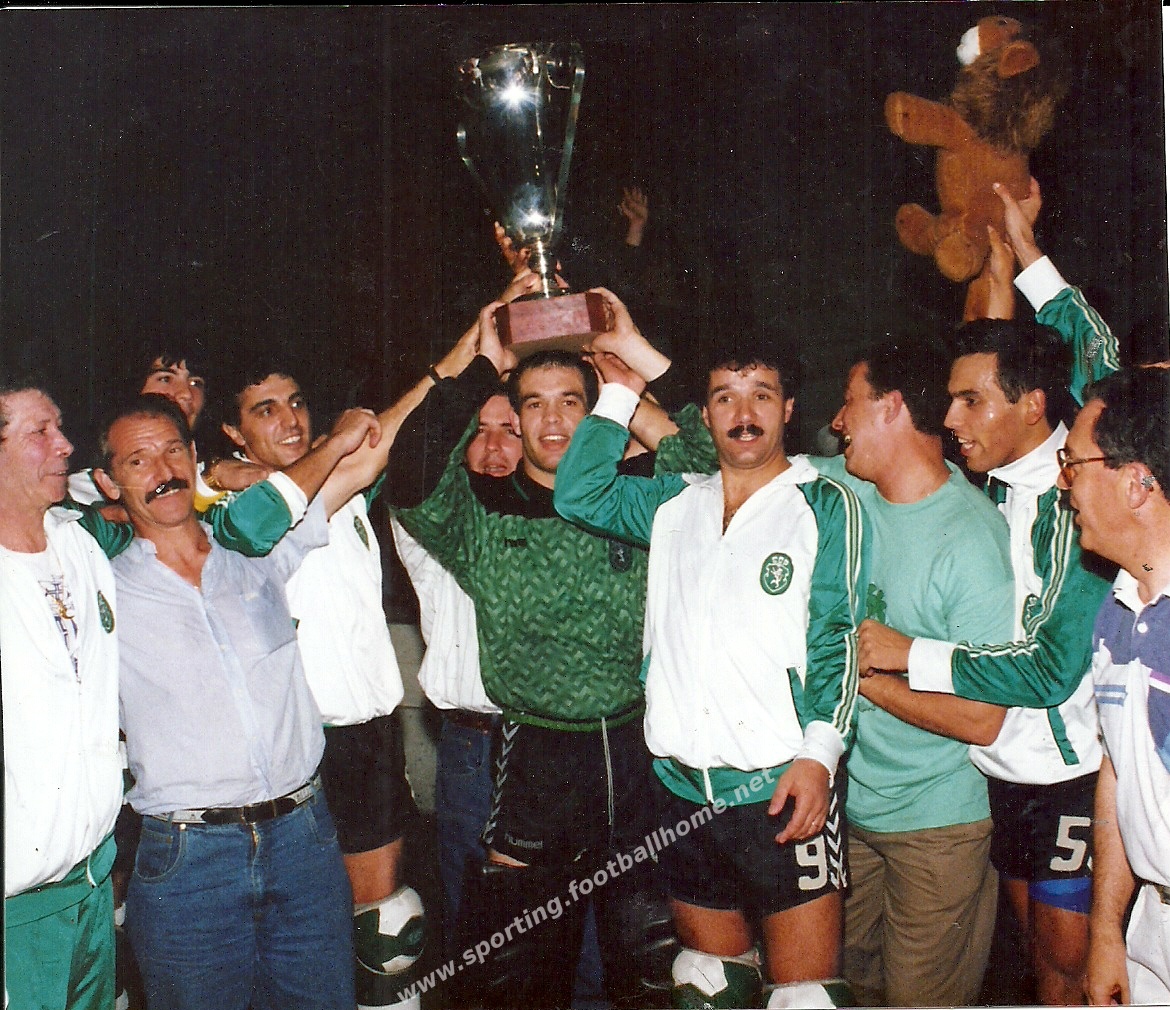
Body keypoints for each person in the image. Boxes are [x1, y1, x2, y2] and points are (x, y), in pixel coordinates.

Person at [554, 296, 867, 1010]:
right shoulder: (672, 502)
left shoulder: (823, 503)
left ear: (789, 408)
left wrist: (820, 756)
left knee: (806, 1000)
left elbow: (839, 641)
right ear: (705, 413)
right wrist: (619, 394)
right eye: (725, 396)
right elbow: (577, 495)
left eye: (762, 395)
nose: (743, 413)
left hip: (782, 793)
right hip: (680, 793)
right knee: (710, 987)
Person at [391, 296, 688, 1010]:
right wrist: (484, 364)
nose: (552, 420)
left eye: (570, 402)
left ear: (597, 413)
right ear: (516, 418)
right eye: (533, 403)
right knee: (517, 979)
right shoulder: (480, 519)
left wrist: (632, 375)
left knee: (648, 972)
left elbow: (721, 459)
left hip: (642, 754)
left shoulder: (642, 500)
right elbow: (411, 467)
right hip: (538, 762)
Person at [88, 392, 384, 1010]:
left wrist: (454, 363)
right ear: (108, 482)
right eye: (138, 461)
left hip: (304, 843)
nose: (164, 471)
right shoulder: (100, 585)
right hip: (187, 863)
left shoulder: (258, 553)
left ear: (195, 456)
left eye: (173, 450)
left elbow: (362, 462)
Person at [858, 317, 1114, 1004]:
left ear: (1032, 405)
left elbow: (1049, 669)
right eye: (952, 399)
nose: (949, 418)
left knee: (1072, 972)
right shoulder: (992, 486)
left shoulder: (1079, 500)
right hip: (1001, 774)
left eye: (971, 400)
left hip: (1070, 777)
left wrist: (910, 655)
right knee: (1038, 966)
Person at [215, 363, 426, 1009]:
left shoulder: (349, 486)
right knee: (300, 933)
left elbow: (393, 428)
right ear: (234, 433)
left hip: (371, 737)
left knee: (387, 927)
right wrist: (222, 474)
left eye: (297, 402)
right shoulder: (228, 510)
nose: (290, 420)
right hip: (291, 752)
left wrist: (458, 360)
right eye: (266, 409)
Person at [818, 338, 1015, 1007]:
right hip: (856, 810)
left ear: (891, 407)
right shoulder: (852, 490)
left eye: (849, 403)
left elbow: (983, 719)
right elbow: (747, 462)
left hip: (939, 825)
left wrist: (864, 677)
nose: (836, 422)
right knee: (849, 990)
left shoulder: (972, 541)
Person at [2, 379, 123, 1010]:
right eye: (39, 432)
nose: (66, 445)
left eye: (61, 426)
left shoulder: (80, 545)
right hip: (16, 917)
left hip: (92, 885)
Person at [1057, 367, 1170, 1005]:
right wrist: (1106, 931)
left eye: (1074, 463)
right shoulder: (1118, 608)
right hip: (1150, 927)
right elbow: (1118, 770)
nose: (1064, 483)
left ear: (1135, 483)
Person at [389, 391, 518, 933]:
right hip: (472, 745)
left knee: (568, 916)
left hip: (555, 744)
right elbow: (413, 454)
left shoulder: (571, 517)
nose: (493, 447)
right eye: (478, 430)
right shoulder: (433, 523)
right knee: (475, 922)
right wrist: (478, 366)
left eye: (511, 429)